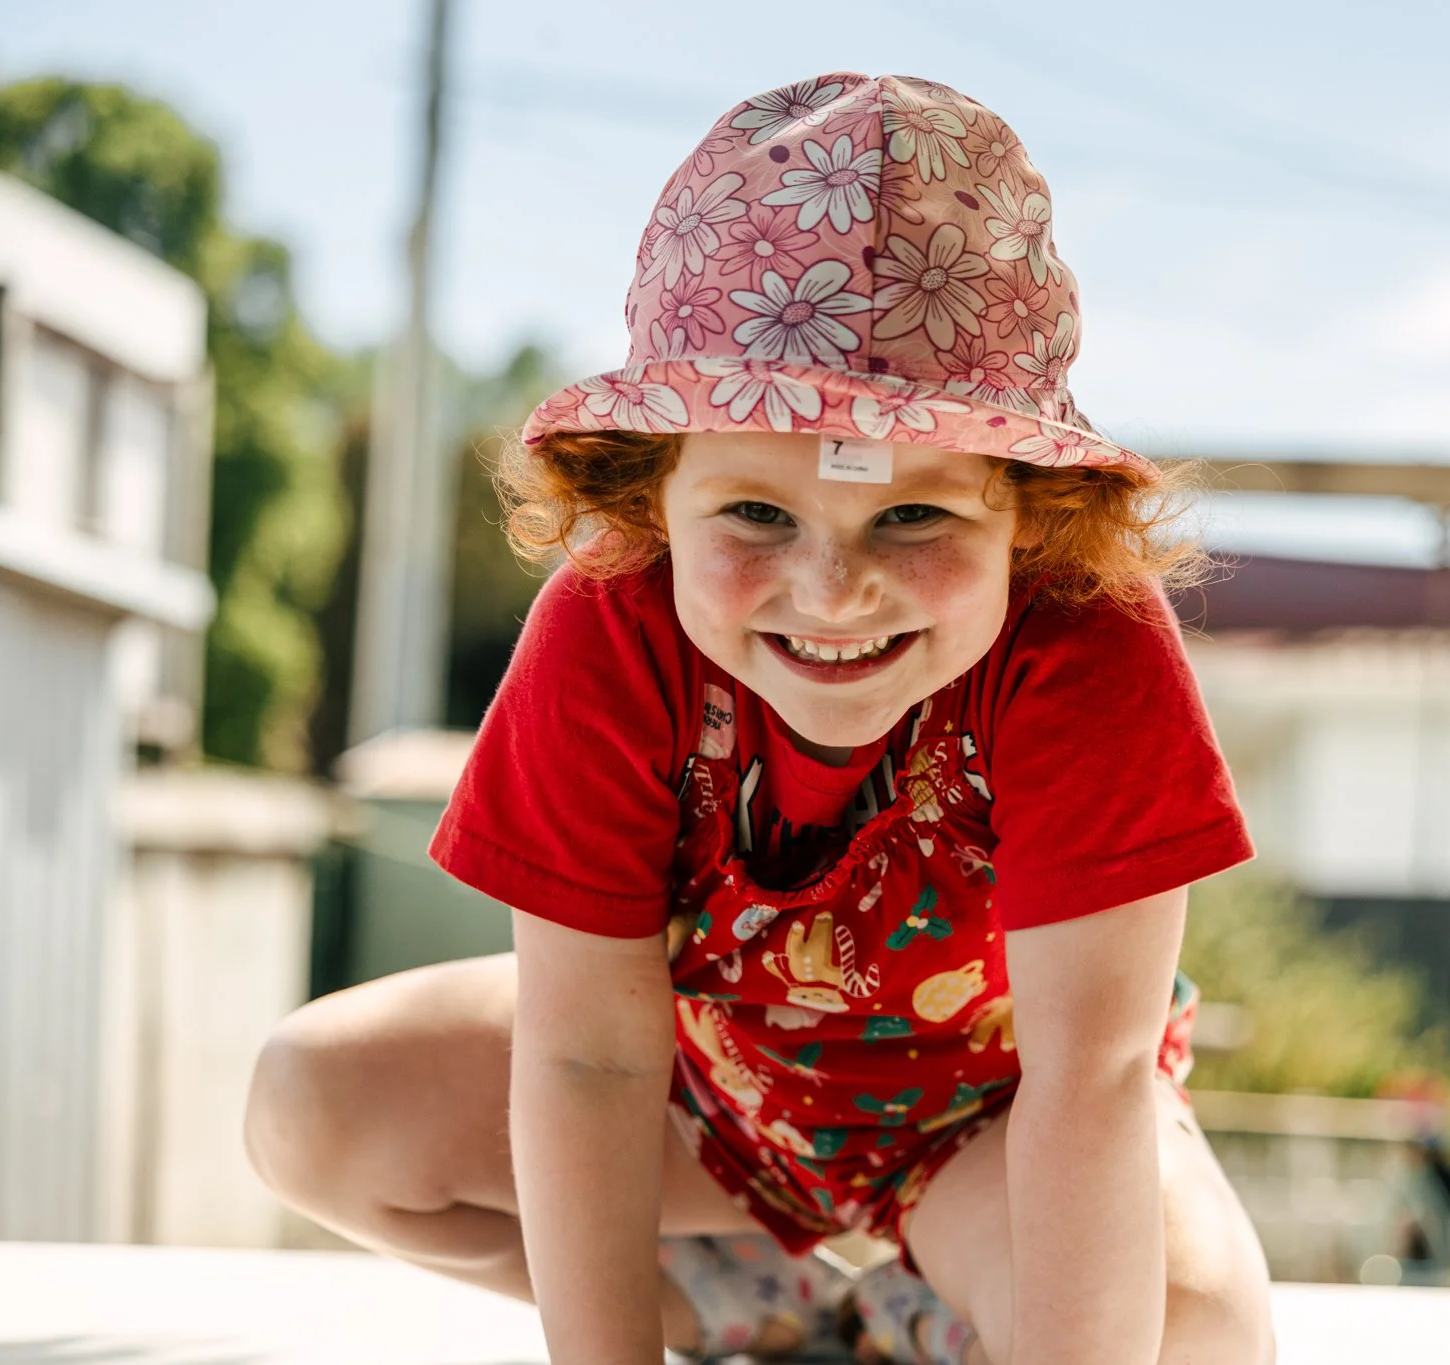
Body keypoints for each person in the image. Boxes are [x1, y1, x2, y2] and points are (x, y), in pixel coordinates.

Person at [245, 72, 1275, 1365]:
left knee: (1198, 1335)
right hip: (708, 1100)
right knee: (313, 1102)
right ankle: (762, 1301)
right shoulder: (609, 620)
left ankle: (931, 1300)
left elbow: (1092, 1082)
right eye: (754, 515)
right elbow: (585, 1062)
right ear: (651, 493)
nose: (832, 585)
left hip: (992, 1132)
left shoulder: (1088, 635)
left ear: (1030, 507)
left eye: (915, 514)